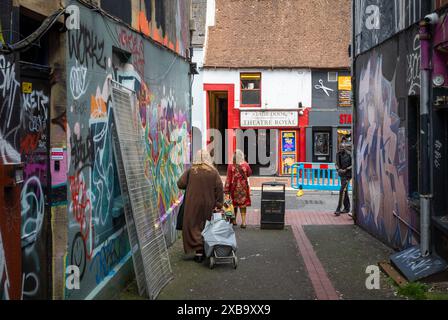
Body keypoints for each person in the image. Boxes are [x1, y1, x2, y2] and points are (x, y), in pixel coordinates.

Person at [177, 149, 224, 263]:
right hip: (208, 203)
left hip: (192, 203)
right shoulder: (213, 172)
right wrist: (219, 204)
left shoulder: (191, 171)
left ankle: (198, 252)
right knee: (206, 225)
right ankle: (205, 249)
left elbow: (180, 184)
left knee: (193, 226)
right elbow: (219, 188)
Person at [224, 149, 252, 228]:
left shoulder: (230, 166)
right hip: (243, 188)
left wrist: (226, 189)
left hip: (234, 188)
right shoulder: (246, 165)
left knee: (233, 204)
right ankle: (243, 222)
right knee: (243, 205)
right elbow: (249, 173)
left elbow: (229, 178)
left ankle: (234, 221)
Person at [335, 137, 352, 216]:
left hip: (348, 175)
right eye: (340, 147)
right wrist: (338, 169)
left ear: (345, 148)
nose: (341, 149)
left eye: (342, 148)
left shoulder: (349, 154)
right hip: (342, 174)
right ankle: (347, 208)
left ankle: (338, 208)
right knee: (345, 191)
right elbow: (336, 164)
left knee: (342, 190)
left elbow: (353, 164)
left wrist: (346, 169)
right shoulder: (338, 154)